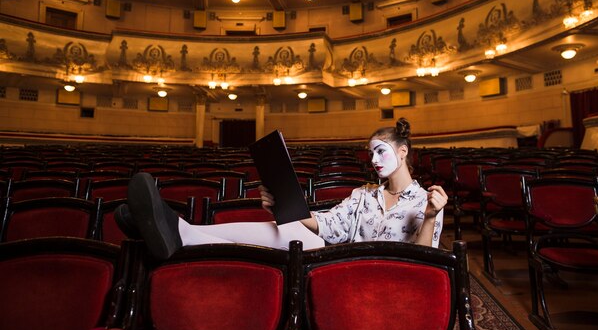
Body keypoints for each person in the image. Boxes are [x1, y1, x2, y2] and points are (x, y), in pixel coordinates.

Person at [116, 117, 448, 260]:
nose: (373, 159)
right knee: (287, 227)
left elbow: (424, 260)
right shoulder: (364, 194)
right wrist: (285, 208)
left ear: (403, 152)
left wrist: (431, 217)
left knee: (295, 234)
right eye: (370, 152)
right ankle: (182, 230)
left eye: (381, 151)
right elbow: (330, 225)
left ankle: (175, 229)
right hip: (336, 258)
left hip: (376, 272)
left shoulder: (426, 201)